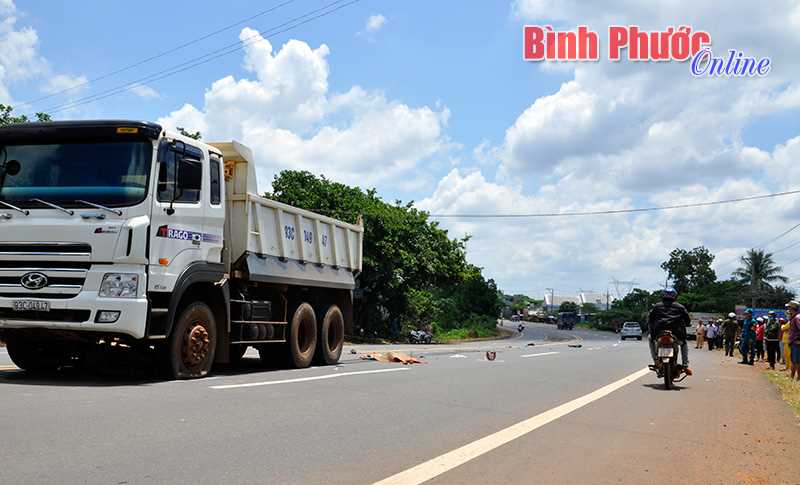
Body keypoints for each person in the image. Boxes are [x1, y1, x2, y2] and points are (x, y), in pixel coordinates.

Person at [648, 288, 691, 375]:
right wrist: (687, 324)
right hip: (676, 334)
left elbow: (650, 319)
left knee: (650, 339)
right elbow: (687, 320)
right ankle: (685, 364)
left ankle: (656, 360)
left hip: (659, 333)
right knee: (684, 344)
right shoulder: (680, 307)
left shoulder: (657, 306)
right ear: (675, 296)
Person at [787, 301, 800, 381]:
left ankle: (797, 378)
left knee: (797, 361)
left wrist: (798, 340)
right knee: (794, 361)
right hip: (793, 342)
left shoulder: (797, 317)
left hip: (796, 343)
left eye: (789, 307)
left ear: (792, 308)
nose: (788, 309)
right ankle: (792, 377)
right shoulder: (793, 317)